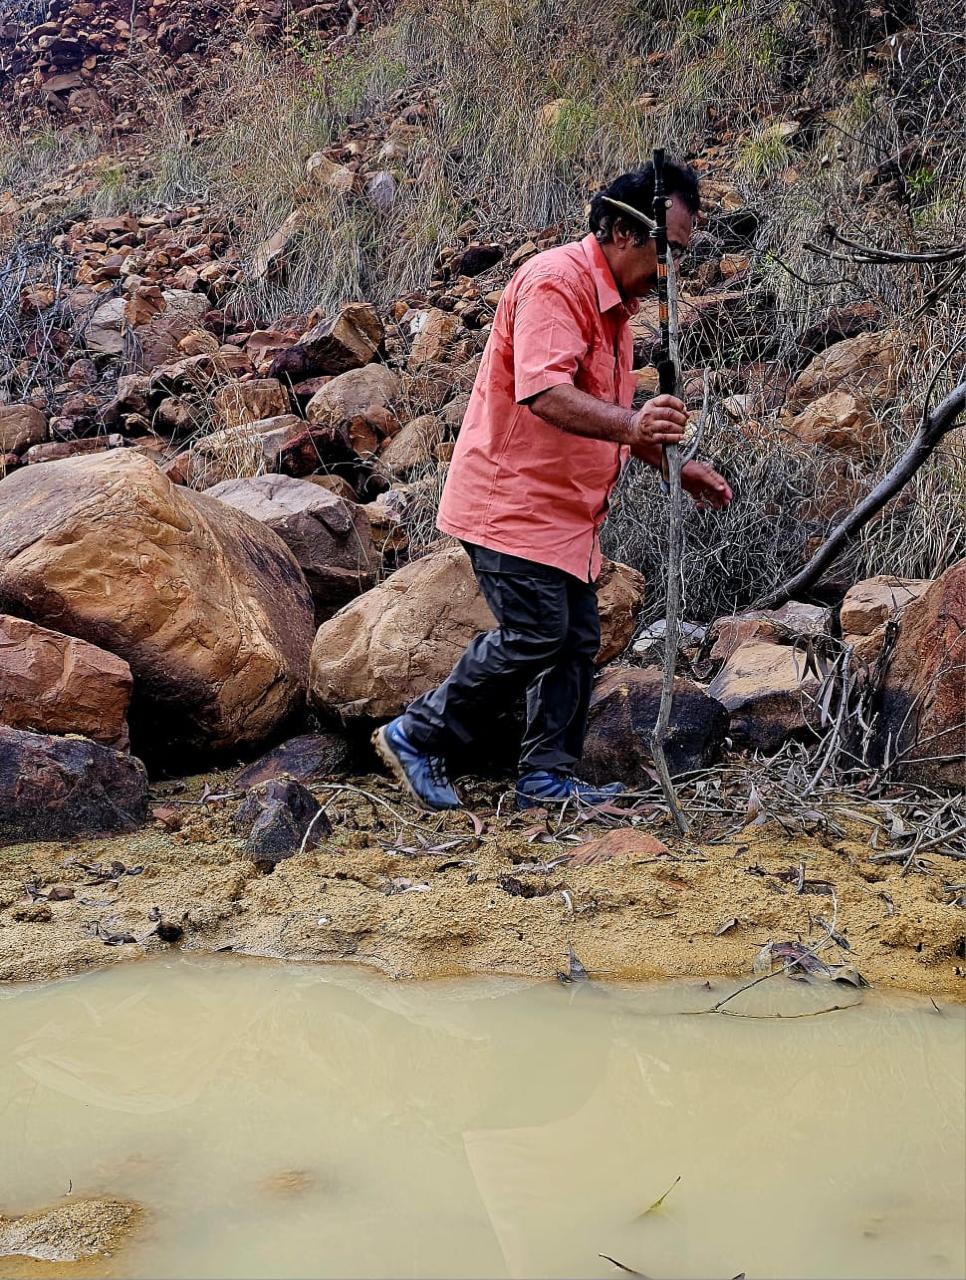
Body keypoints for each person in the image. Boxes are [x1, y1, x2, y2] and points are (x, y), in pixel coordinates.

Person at [375, 160, 732, 811]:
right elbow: (544, 393)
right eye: (668, 251)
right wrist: (636, 424)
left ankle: (545, 778)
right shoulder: (556, 283)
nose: (671, 271)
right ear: (623, 232)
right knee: (538, 632)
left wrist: (675, 467)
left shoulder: (617, 311)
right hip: (512, 503)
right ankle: (415, 734)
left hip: (565, 515)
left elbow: (607, 418)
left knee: (574, 640)